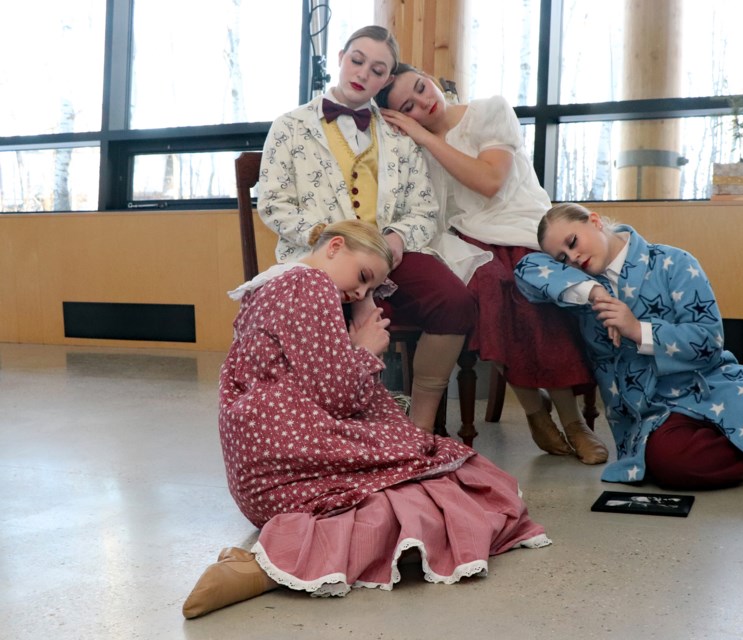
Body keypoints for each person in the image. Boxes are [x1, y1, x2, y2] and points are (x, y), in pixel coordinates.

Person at [182, 220, 549, 619]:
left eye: (372, 290)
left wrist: (360, 307)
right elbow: (337, 397)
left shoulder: (269, 287)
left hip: (260, 482)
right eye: (362, 278)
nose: (360, 293)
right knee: (448, 493)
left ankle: (273, 560)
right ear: (334, 246)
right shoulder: (311, 285)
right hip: (289, 458)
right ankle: (269, 568)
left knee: (426, 488)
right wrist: (365, 349)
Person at [513, 202, 743, 489]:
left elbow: (708, 341)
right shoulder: (575, 291)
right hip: (654, 411)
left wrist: (637, 329)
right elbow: (526, 270)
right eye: (561, 257)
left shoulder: (673, 262)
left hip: (712, 386)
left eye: (572, 242)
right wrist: (592, 290)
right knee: (673, 464)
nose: (572, 258)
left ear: (594, 221)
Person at [374, 64, 607, 464]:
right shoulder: (412, 147)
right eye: (408, 107)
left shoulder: (489, 111)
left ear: (431, 75)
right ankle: (537, 413)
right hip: (467, 240)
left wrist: (423, 137)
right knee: (490, 292)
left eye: (421, 87)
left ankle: (572, 421)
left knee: (530, 298)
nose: (423, 102)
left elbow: (489, 181)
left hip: (522, 229)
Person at [257, 26, 475, 434]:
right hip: (325, 259)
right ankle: (337, 429)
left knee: (454, 301)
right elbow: (272, 205)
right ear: (341, 57)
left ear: (386, 80)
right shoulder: (289, 127)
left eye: (377, 70)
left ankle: (420, 426)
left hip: (390, 253)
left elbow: (424, 208)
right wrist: (327, 238)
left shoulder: (398, 133)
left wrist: (396, 239)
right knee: (321, 313)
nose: (363, 74)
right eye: (357, 61)